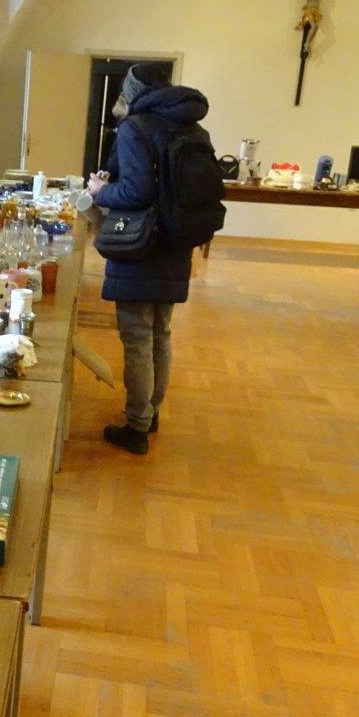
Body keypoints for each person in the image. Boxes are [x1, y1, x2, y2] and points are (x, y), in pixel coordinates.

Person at [87, 63, 213, 455]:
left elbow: (136, 192)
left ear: (132, 91)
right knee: (160, 331)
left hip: (139, 243)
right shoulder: (193, 128)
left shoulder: (136, 127)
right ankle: (151, 411)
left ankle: (136, 426)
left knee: (137, 336)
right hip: (176, 242)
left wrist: (100, 191)